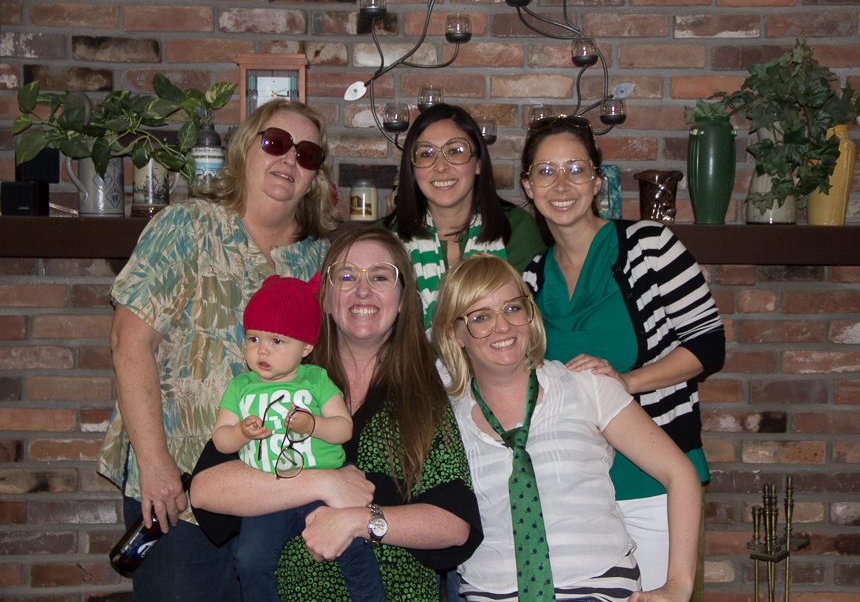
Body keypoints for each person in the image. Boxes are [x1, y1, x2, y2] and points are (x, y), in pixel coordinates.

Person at [97, 99, 338, 601]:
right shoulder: (186, 227)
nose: (289, 159)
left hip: (278, 497)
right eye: (276, 142)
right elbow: (129, 341)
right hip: (181, 492)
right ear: (245, 148)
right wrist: (155, 464)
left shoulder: (319, 257)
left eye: (307, 154)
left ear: (315, 176)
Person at [189, 226, 483, 602]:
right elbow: (205, 489)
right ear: (325, 300)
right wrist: (324, 483)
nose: (362, 290)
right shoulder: (280, 381)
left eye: (380, 277)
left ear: (403, 299)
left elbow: (454, 524)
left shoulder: (421, 396)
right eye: (346, 276)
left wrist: (361, 520)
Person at [519, 116, 726, 594]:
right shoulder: (531, 278)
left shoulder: (650, 246)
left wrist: (626, 382)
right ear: (528, 187)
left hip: (657, 484)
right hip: (574, 495)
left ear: (597, 181)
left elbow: (708, 345)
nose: (561, 184)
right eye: (545, 172)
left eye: (576, 168)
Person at [432, 254, 702, 602]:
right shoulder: (443, 421)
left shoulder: (586, 386)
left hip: (599, 589)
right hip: (492, 593)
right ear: (455, 334)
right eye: (481, 317)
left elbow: (680, 473)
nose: (503, 326)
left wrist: (678, 586)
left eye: (513, 308)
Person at [211, 273, 385, 602]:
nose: (262, 350)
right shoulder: (240, 387)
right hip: (268, 496)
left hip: (323, 485)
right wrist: (239, 432)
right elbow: (221, 441)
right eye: (253, 339)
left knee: (354, 550)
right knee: (249, 560)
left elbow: (344, 428)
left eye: (277, 341)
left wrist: (312, 425)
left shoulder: (315, 379)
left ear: (306, 346)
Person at [383, 103, 546, 329]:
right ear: (412, 168)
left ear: (478, 163)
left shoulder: (517, 229)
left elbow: (536, 324)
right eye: (426, 154)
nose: (441, 166)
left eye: (455, 151)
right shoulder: (384, 240)